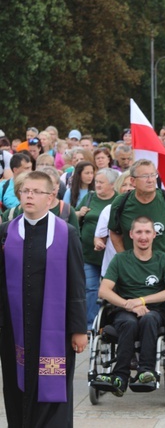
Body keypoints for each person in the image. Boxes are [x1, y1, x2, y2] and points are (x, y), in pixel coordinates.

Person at [0, 170, 87, 427]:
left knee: (53, 391)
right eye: (25, 191)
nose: (29, 196)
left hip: (54, 328)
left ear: (50, 198)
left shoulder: (66, 232)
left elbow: (77, 283)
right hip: (15, 328)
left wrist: (79, 328)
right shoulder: (6, 232)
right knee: (17, 387)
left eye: (37, 192)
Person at [96, 216, 165, 396]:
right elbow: (104, 291)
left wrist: (142, 301)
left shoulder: (163, 260)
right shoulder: (120, 260)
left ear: (154, 235)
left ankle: (146, 372)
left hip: (154, 311)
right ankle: (119, 377)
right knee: (130, 323)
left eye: (147, 232)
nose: (143, 236)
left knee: (148, 319)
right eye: (139, 232)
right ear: (131, 235)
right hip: (124, 311)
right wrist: (129, 304)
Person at [108, 159, 165, 272]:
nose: (150, 180)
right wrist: (124, 258)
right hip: (133, 270)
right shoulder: (120, 203)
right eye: (145, 176)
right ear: (133, 181)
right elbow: (114, 232)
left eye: (153, 175)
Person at [78, 168, 119, 331]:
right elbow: (74, 215)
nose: (97, 185)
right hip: (89, 255)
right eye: (97, 182)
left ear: (112, 184)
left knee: (113, 290)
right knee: (90, 288)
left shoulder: (118, 201)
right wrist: (79, 213)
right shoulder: (89, 197)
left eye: (101, 182)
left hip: (111, 257)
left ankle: (110, 323)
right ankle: (91, 325)